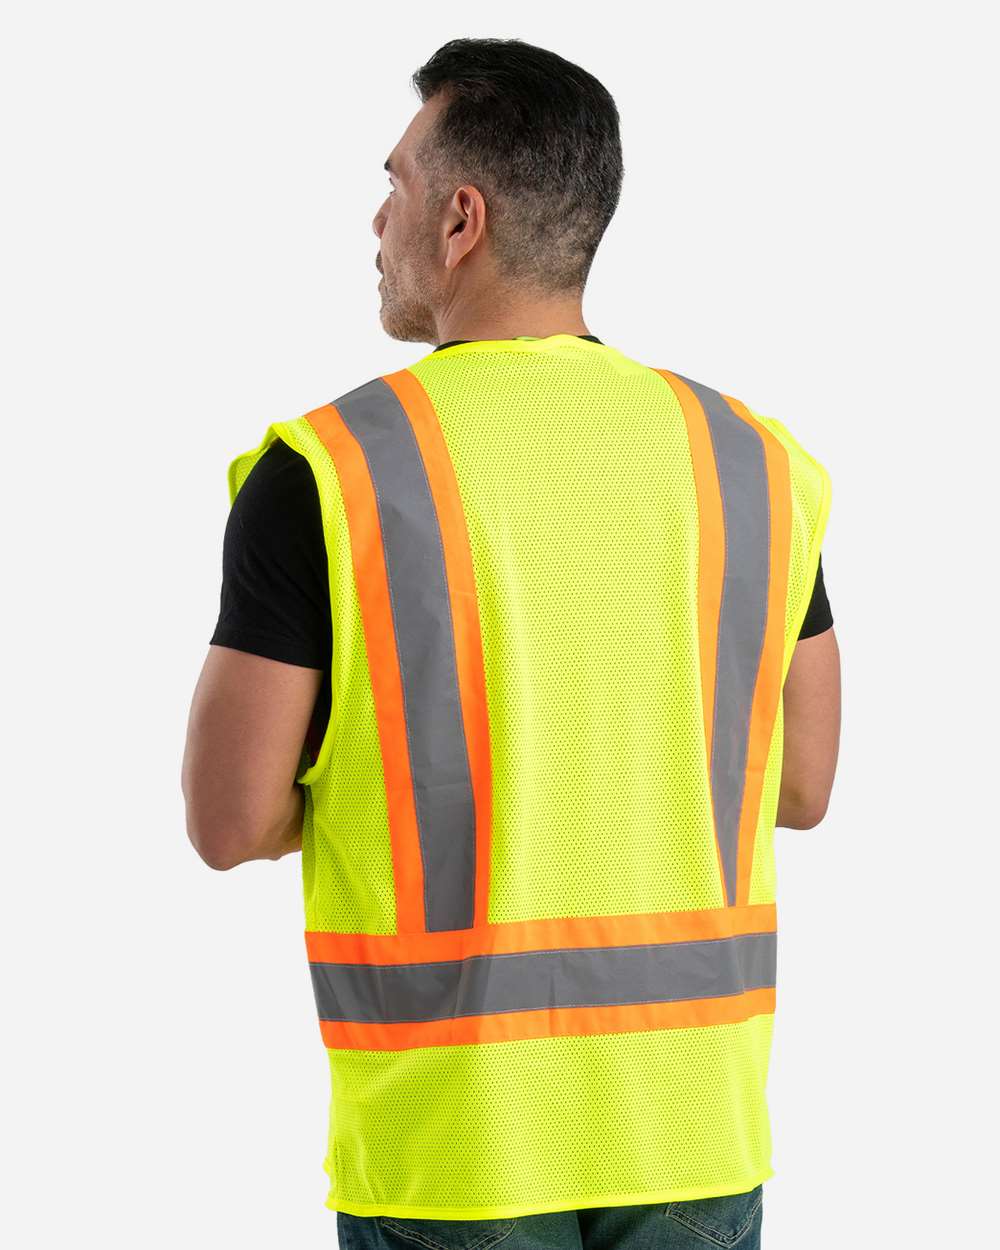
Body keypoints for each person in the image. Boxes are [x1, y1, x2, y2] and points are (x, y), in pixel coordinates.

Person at [182, 36, 840, 1250]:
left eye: (394, 181)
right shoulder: (752, 462)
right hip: (692, 1128)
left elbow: (229, 819)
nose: (376, 217)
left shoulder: (332, 468)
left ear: (460, 220)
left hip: (458, 1141)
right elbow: (799, 785)